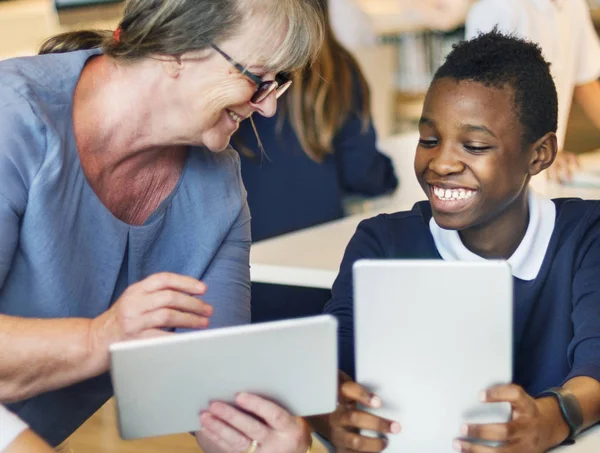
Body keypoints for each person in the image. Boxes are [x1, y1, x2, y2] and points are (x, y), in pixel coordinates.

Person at [0, 0, 323, 452]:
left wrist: (262, 440)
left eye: (277, 86)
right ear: (176, 49)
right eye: (257, 79)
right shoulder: (11, 116)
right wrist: (101, 339)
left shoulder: (218, 190)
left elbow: (208, 395)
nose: (267, 109)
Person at [317, 30, 600, 452]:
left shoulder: (585, 235)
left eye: (475, 145)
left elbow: (596, 367)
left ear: (539, 155)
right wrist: (328, 411)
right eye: (429, 140)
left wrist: (552, 417)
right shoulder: (382, 242)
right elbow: (328, 363)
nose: (442, 162)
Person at [236, 0, 398, 322]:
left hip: (242, 280)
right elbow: (363, 174)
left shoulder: (237, 70)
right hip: (322, 285)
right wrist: (389, 172)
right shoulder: (338, 67)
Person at [465, 0, 600, 183]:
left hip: (544, 169)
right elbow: (486, 100)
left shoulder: (573, 5)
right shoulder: (497, 8)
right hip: (499, 172)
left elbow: (584, 82)